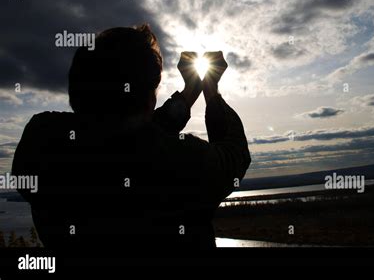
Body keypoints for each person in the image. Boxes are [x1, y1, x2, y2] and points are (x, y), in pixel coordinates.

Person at [11, 25, 251, 253]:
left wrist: (190, 91)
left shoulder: (43, 140)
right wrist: (211, 89)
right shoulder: (181, 163)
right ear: (149, 98)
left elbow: (131, 132)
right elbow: (234, 154)